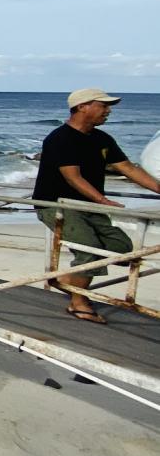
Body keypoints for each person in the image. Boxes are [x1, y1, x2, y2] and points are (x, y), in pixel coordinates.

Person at [33, 88, 160, 323]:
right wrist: (102, 200)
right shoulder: (61, 138)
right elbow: (73, 177)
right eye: (103, 105)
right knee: (89, 249)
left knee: (121, 249)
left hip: (89, 206)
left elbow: (128, 169)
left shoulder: (102, 139)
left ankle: (66, 281)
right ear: (83, 107)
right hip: (57, 205)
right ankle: (78, 303)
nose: (108, 111)